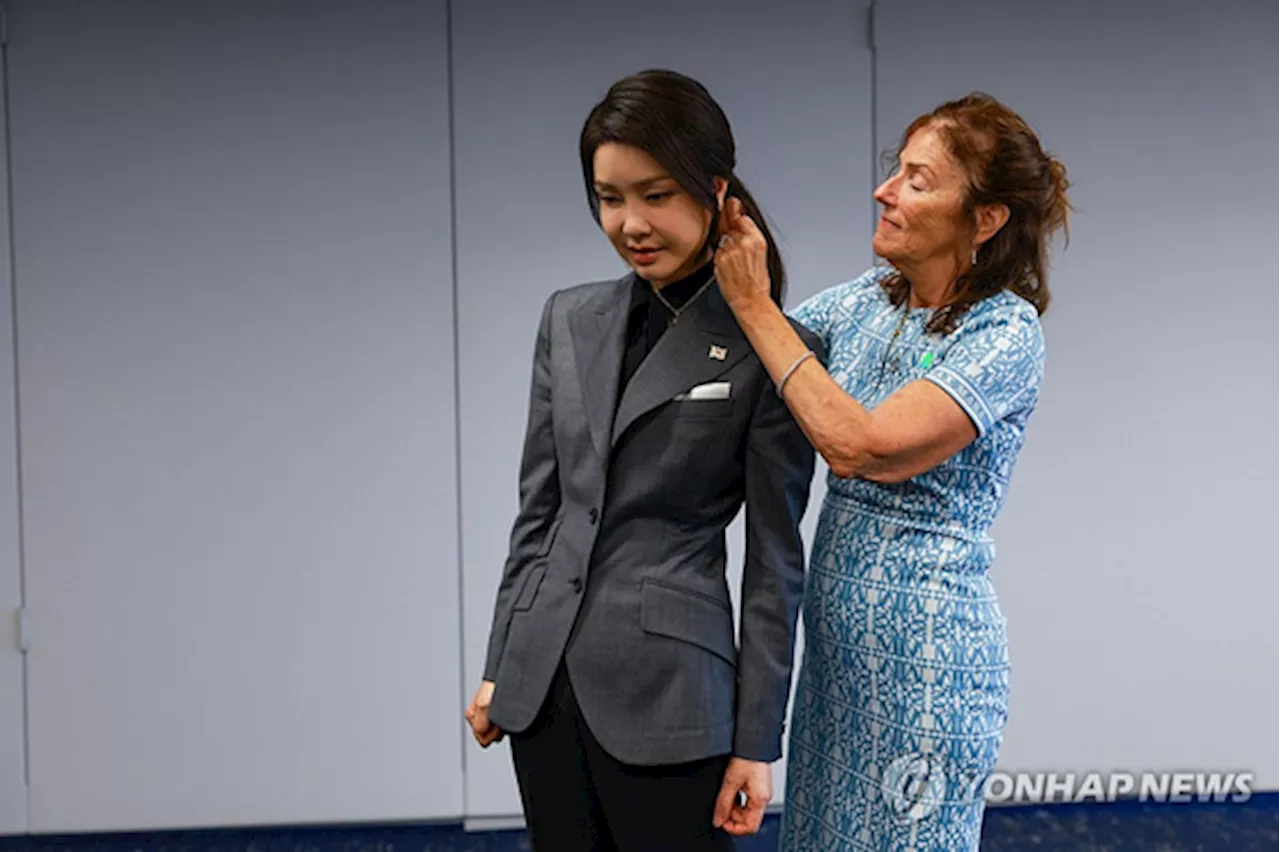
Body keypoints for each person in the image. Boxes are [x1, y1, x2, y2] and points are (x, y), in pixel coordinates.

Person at [463, 68, 822, 852]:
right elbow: (544, 513)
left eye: (656, 194)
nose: (630, 223)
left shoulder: (775, 349)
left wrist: (757, 742)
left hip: (672, 698)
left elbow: (773, 564)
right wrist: (503, 658)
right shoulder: (568, 318)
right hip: (544, 687)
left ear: (715, 190)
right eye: (609, 197)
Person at [713, 92, 1071, 849]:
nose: (885, 190)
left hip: (928, 673)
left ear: (985, 219)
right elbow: (763, 359)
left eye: (916, 179)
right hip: (836, 671)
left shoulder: (1005, 331)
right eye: (893, 171)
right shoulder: (864, 304)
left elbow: (864, 445)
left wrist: (754, 304)